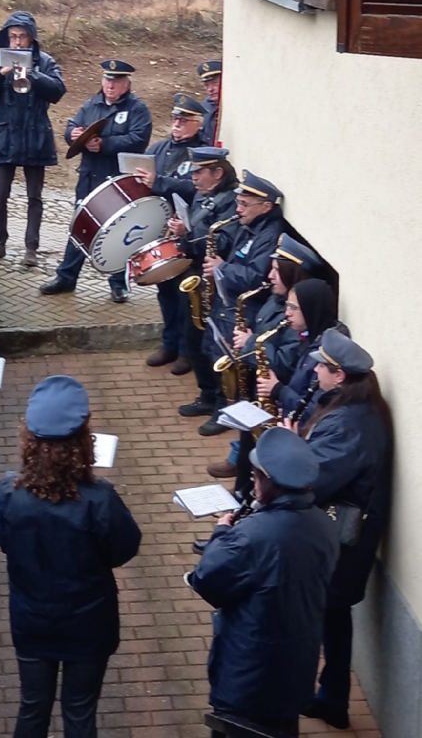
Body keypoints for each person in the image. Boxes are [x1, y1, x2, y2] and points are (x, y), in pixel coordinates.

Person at [0, 375, 141, 738]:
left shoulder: (8, 494)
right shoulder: (99, 500)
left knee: (32, 708)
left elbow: (4, 538)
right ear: (83, 441)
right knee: (79, 713)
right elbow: (123, 549)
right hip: (88, 624)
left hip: (32, 619)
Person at [187, 426, 340, 738]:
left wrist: (221, 534)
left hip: (250, 672)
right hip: (297, 663)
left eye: (256, 477)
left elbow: (207, 580)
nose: (252, 484)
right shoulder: (324, 524)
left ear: (269, 481)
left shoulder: (253, 535)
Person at [281, 329, 393, 731]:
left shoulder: (349, 423)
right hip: (345, 536)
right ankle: (332, 699)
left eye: (322, 366)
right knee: (333, 616)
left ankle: (327, 698)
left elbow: (314, 478)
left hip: (340, 542)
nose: (315, 369)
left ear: (340, 376)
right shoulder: (353, 408)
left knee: (323, 616)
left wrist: (292, 448)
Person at [206, 234, 321, 481]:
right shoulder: (275, 298)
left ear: (292, 276)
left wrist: (250, 343)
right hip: (258, 378)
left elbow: (283, 361)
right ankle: (240, 462)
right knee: (248, 428)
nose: (269, 276)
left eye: (277, 271)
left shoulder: (298, 317)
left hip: (276, 390)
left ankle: (246, 472)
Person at [40, 60, 152, 303]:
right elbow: (72, 125)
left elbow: (139, 139)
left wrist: (104, 144)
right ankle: (66, 277)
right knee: (81, 228)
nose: (110, 86)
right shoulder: (92, 104)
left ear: (127, 84)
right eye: (107, 80)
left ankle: (118, 284)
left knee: (119, 231)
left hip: (118, 181)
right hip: (89, 178)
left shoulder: (137, 109)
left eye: (116, 82)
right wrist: (74, 135)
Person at [184, 171, 285, 435]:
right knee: (211, 350)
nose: (237, 209)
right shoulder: (248, 223)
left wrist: (222, 269)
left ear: (266, 206)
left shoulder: (269, 234)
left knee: (227, 361)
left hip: (244, 308)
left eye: (243, 204)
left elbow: (257, 275)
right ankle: (211, 401)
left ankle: (224, 411)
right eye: (238, 203)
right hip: (225, 302)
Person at [0, 11, 66, 266]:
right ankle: (0, 242)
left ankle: (31, 249)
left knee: (34, 197)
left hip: (35, 136)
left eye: (22, 36)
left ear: (31, 38)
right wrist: (0, 72)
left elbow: (58, 91)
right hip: (4, 136)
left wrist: (32, 74)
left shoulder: (45, 62)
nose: (16, 42)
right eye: (12, 36)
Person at [134, 107, 215, 373]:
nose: (177, 125)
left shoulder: (199, 153)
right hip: (160, 231)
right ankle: (168, 344)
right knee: (165, 293)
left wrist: (160, 181)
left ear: (197, 124)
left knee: (184, 297)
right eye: (174, 119)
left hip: (186, 232)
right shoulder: (158, 149)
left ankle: (185, 351)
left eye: (183, 120)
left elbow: (193, 188)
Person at [255, 278, 339, 419]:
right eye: (287, 306)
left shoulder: (327, 353)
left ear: (311, 310)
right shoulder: (311, 338)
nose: (287, 313)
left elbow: (316, 410)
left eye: (294, 308)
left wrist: (278, 390)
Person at [197, 60, 222, 146]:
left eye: (215, 83)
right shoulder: (205, 106)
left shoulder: (237, 105)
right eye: (207, 85)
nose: (210, 89)